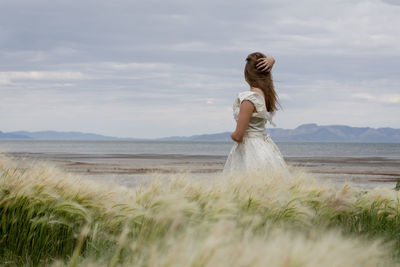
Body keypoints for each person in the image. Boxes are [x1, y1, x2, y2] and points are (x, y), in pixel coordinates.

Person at [223, 52, 289, 175]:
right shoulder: (266, 95)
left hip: (249, 150)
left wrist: (231, 135)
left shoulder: (249, 98)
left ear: (246, 73)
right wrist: (271, 59)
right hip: (264, 148)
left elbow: (238, 136)